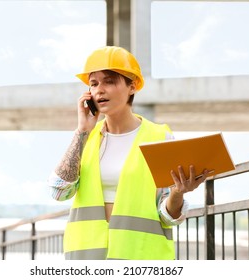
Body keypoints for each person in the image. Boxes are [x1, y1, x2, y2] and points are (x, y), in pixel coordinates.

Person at [47, 46, 208, 260]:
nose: (99, 90)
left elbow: (167, 218)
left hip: (140, 258)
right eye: (93, 84)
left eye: (109, 81)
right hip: (86, 260)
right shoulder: (88, 137)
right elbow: (59, 192)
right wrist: (82, 131)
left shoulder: (159, 137)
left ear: (132, 87)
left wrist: (178, 192)